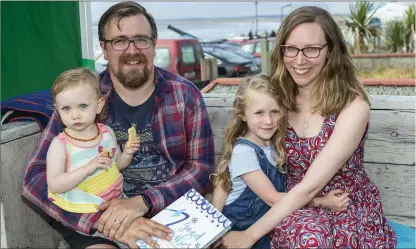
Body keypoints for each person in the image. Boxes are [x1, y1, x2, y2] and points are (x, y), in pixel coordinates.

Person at [21, 1, 215, 248]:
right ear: (104, 47)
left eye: (141, 40)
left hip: (168, 211)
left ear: (154, 43)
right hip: (97, 214)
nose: (132, 50)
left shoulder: (185, 95)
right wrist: (103, 221)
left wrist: (143, 202)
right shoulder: (81, 100)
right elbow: (34, 179)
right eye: (119, 41)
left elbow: (201, 166)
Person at [215, 6, 397, 249]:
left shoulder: (352, 107)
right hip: (288, 203)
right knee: (308, 238)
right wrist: (215, 223)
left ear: (330, 51)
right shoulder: (276, 100)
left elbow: (311, 185)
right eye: (291, 49)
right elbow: (235, 155)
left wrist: (248, 237)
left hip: (342, 204)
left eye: (311, 49)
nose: (299, 60)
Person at [211, 74, 350, 249]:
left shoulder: (275, 145)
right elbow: (273, 199)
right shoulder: (243, 152)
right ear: (243, 115)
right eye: (259, 113)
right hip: (240, 231)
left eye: (275, 112)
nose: (268, 121)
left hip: (266, 227)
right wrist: (323, 202)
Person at [46, 68, 140, 214]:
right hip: (85, 210)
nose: (75, 115)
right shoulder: (61, 145)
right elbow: (54, 185)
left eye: (83, 106)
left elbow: (117, 166)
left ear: (99, 105)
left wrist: (127, 153)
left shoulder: (107, 133)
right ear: (57, 110)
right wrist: (86, 169)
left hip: (116, 202)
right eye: (66, 108)